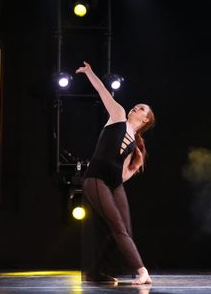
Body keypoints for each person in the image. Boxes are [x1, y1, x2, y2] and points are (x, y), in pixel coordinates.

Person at [76, 61, 155, 285]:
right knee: (118, 228)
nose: (136, 108)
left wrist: (134, 167)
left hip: (113, 184)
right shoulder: (118, 114)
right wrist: (90, 72)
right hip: (96, 178)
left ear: (145, 120)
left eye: (141, 109)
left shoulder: (135, 145)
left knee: (123, 229)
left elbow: (122, 176)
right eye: (136, 106)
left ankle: (95, 272)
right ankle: (142, 271)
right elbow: (102, 91)